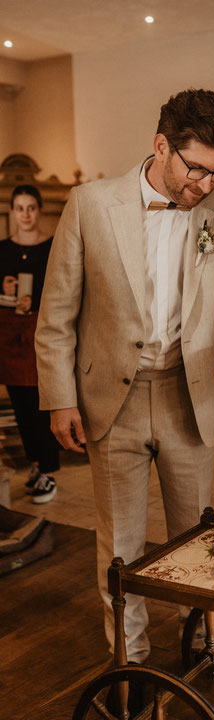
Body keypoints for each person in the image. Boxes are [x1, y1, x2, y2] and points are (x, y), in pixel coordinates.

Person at [35, 88, 214, 666]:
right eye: (196, 168)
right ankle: (130, 666)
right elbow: (55, 316)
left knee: (198, 541)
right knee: (122, 547)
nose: (206, 184)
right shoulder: (90, 204)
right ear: (161, 146)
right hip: (110, 399)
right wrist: (58, 399)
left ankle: (202, 650)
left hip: (188, 393)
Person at [0, 185, 59, 503]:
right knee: (21, 406)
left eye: (31, 208)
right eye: (19, 208)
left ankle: (48, 472)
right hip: (9, 337)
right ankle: (35, 466)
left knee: (42, 404)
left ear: (39, 211)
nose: (25, 214)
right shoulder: (2, 249)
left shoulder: (51, 248)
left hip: (41, 334)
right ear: (12, 212)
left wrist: (32, 300)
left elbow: (61, 288)